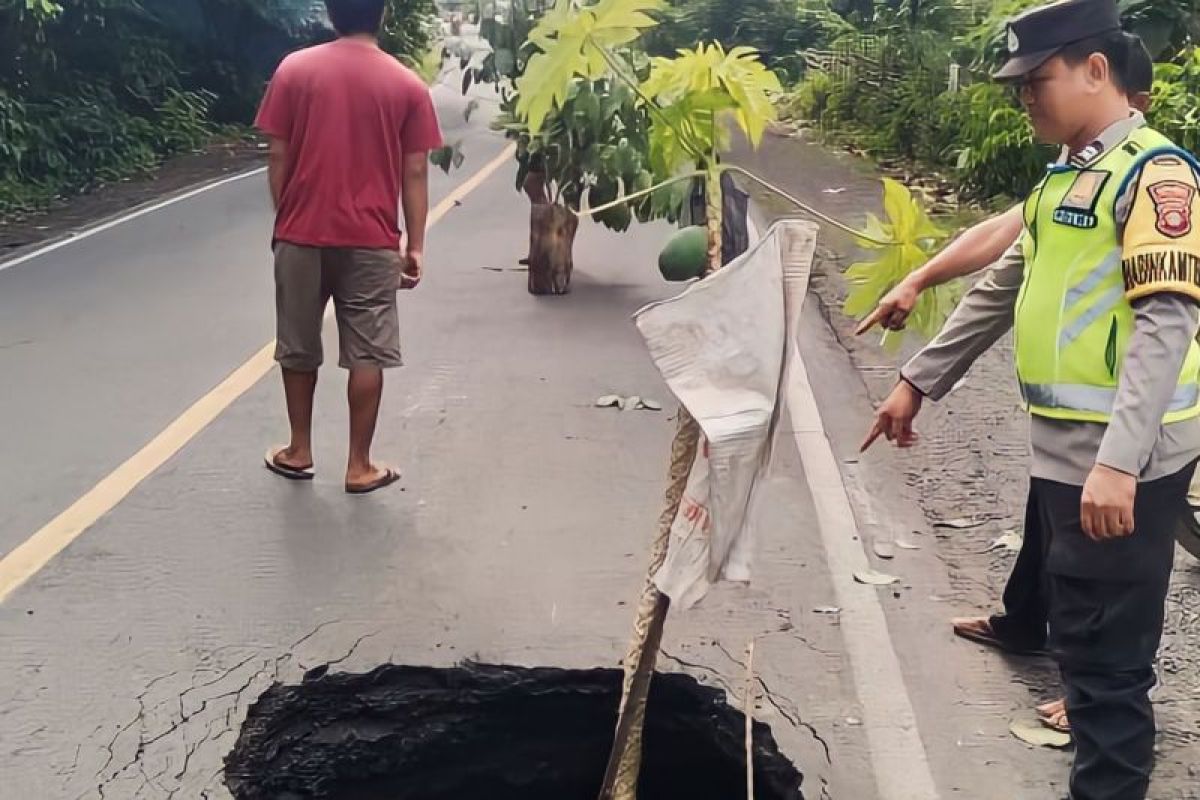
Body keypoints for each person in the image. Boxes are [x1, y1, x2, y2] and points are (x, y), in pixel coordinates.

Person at [862, 1, 1200, 797]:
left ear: (1094, 70)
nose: (1024, 97)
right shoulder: (1066, 179)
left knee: (1106, 672)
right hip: (1067, 449)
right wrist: (918, 381)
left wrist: (1119, 464)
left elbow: (1167, 322)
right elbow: (1002, 286)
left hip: (1124, 458)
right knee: (1085, 648)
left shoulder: (1157, 177)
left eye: (1035, 80)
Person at [255, 0, 443, 494]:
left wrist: (288, 217)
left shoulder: (294, 71)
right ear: (381, 15)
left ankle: (299, 450)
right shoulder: (406, 85)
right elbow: (416, 170)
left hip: (300, 234)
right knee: (367, 352)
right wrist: (416, 244)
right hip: (372, 239)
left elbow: (278, 153)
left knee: (298, 344)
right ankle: (359, 465)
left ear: (330, 14)